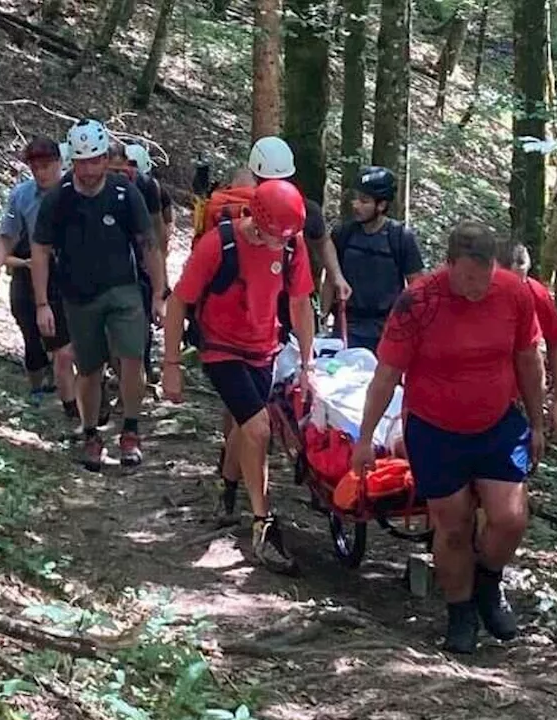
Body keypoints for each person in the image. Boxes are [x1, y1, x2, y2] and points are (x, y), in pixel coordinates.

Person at [351, 221, 546, 655]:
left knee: (510, 518)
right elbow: (386, 375)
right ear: (450, 265)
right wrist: (365, 438)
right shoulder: (418, 301)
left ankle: (488, 583)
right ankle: (460, 612)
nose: (479, 288)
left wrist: (537, 422)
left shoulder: (514, 293)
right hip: (435, 427)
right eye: (470, 279)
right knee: (453, 526)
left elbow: (528, 359)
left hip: (497, 422)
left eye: (486, 276)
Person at [161, 179, 316, 575]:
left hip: (263, 347)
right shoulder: (219, 245)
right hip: (220, 348)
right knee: (259, 428)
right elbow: (179, 301)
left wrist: (307, 362)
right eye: (272, 237)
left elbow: (299, 304)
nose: (277, 245)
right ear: (255, 220)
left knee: (245, 429)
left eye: (285, 238)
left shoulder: (293, 246)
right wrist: (172, 366)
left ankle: (226, 491)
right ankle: (264, 525)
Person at [31, 119, 167, 472]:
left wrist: (159, 294)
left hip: (123, 289)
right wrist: (42, 303)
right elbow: (41, 250)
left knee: (131, 357)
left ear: (106, 158)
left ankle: (131, 431)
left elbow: (148, 244)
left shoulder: (124, 193)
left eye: (95, 160)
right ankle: (91, 435)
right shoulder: (59, 199)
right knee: (89, 368)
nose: (89, 169)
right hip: (77, 295)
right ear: (72, 161)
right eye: (82, 161)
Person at [0, 137, 78, 414]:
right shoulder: (22, 195)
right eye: (35, 167)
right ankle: (38, 388)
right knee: (30, 330)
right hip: (29, 270)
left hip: (67, 272)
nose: (41, 172)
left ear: (60, 163)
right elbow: (7, 234)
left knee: (64, 344)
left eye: (47, 165)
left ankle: (74, 404)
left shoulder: (76, 193)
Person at [324, 166, 425, 351]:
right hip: (347, 326)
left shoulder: (400, 237)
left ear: (381, 205)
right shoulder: (344, 233)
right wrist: (322, 317)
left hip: (388, 330)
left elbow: (416, 287)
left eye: (364, 201)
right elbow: (331, 278)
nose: (355, 205)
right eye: (355, 198)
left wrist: (416, 326)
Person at [246, 136, 351, 305]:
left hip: (284, 295)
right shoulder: (243, 206)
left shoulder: (305, 209)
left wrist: (337, 277)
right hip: (263, 296)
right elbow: (322, 241)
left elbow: (322, 241)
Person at [108, 141, 175, 384]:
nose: (118, 175)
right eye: (112, 171)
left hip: (141, 260)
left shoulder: (147, 186)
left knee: (141, 319)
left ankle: (141, 369)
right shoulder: (95, 186)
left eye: (122, 169)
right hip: (109, 263)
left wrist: (159, 271)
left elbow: (158, 226)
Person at [503, 245, 557, 439]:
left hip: (522, 400)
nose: (516, 291)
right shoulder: (473, 294)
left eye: (521, 282)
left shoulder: (535, 293)